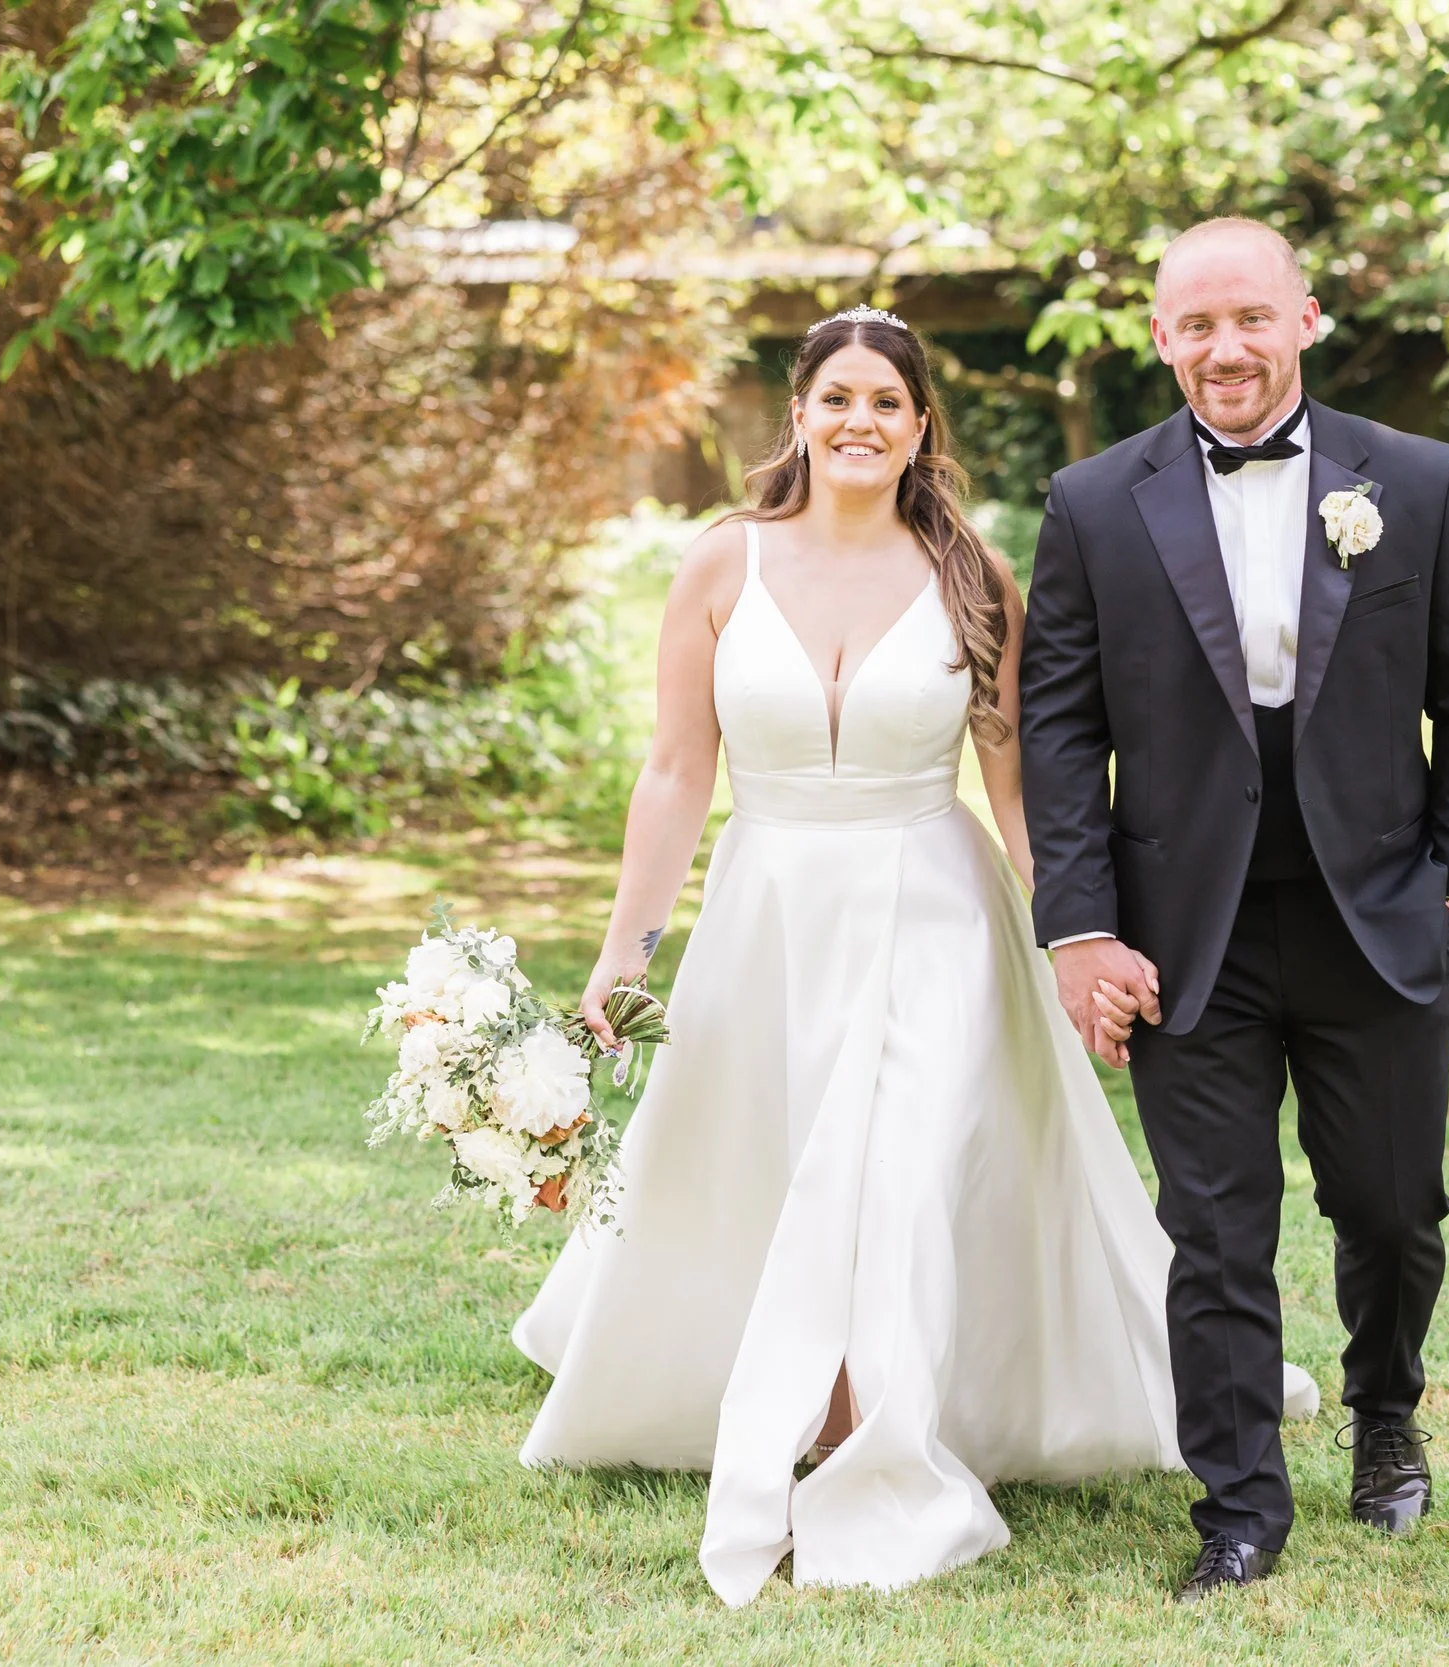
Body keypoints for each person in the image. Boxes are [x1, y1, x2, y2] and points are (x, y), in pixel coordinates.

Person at [509, 306, 1313, 1608]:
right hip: (770, 905)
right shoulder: (723, 564)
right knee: (774, 1159)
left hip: (935, 906)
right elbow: (674, 772)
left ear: (919, 423)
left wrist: (1080, 938)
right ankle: (813, 1394)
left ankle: (879, 1425)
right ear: (799, 415)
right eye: (838, 399)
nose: (860, 422)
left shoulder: (970, 575)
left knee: (899, 1165)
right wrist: (625, 954)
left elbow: (1023, 792)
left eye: (887, 401)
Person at [1022, 219, 1449, 1601]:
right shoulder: (1095, 503)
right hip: (1186, 933)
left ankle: (1385, 1412)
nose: (1225, 348)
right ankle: (1239, 1506)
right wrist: (1081, 924)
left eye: (1251, 317)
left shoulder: (1412, 481)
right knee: (1218, 1225)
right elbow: (1056, 729)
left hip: (1382, 915)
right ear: (1162, 336)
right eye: (1197, 324)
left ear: (1307, 319)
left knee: (1391, 1204)